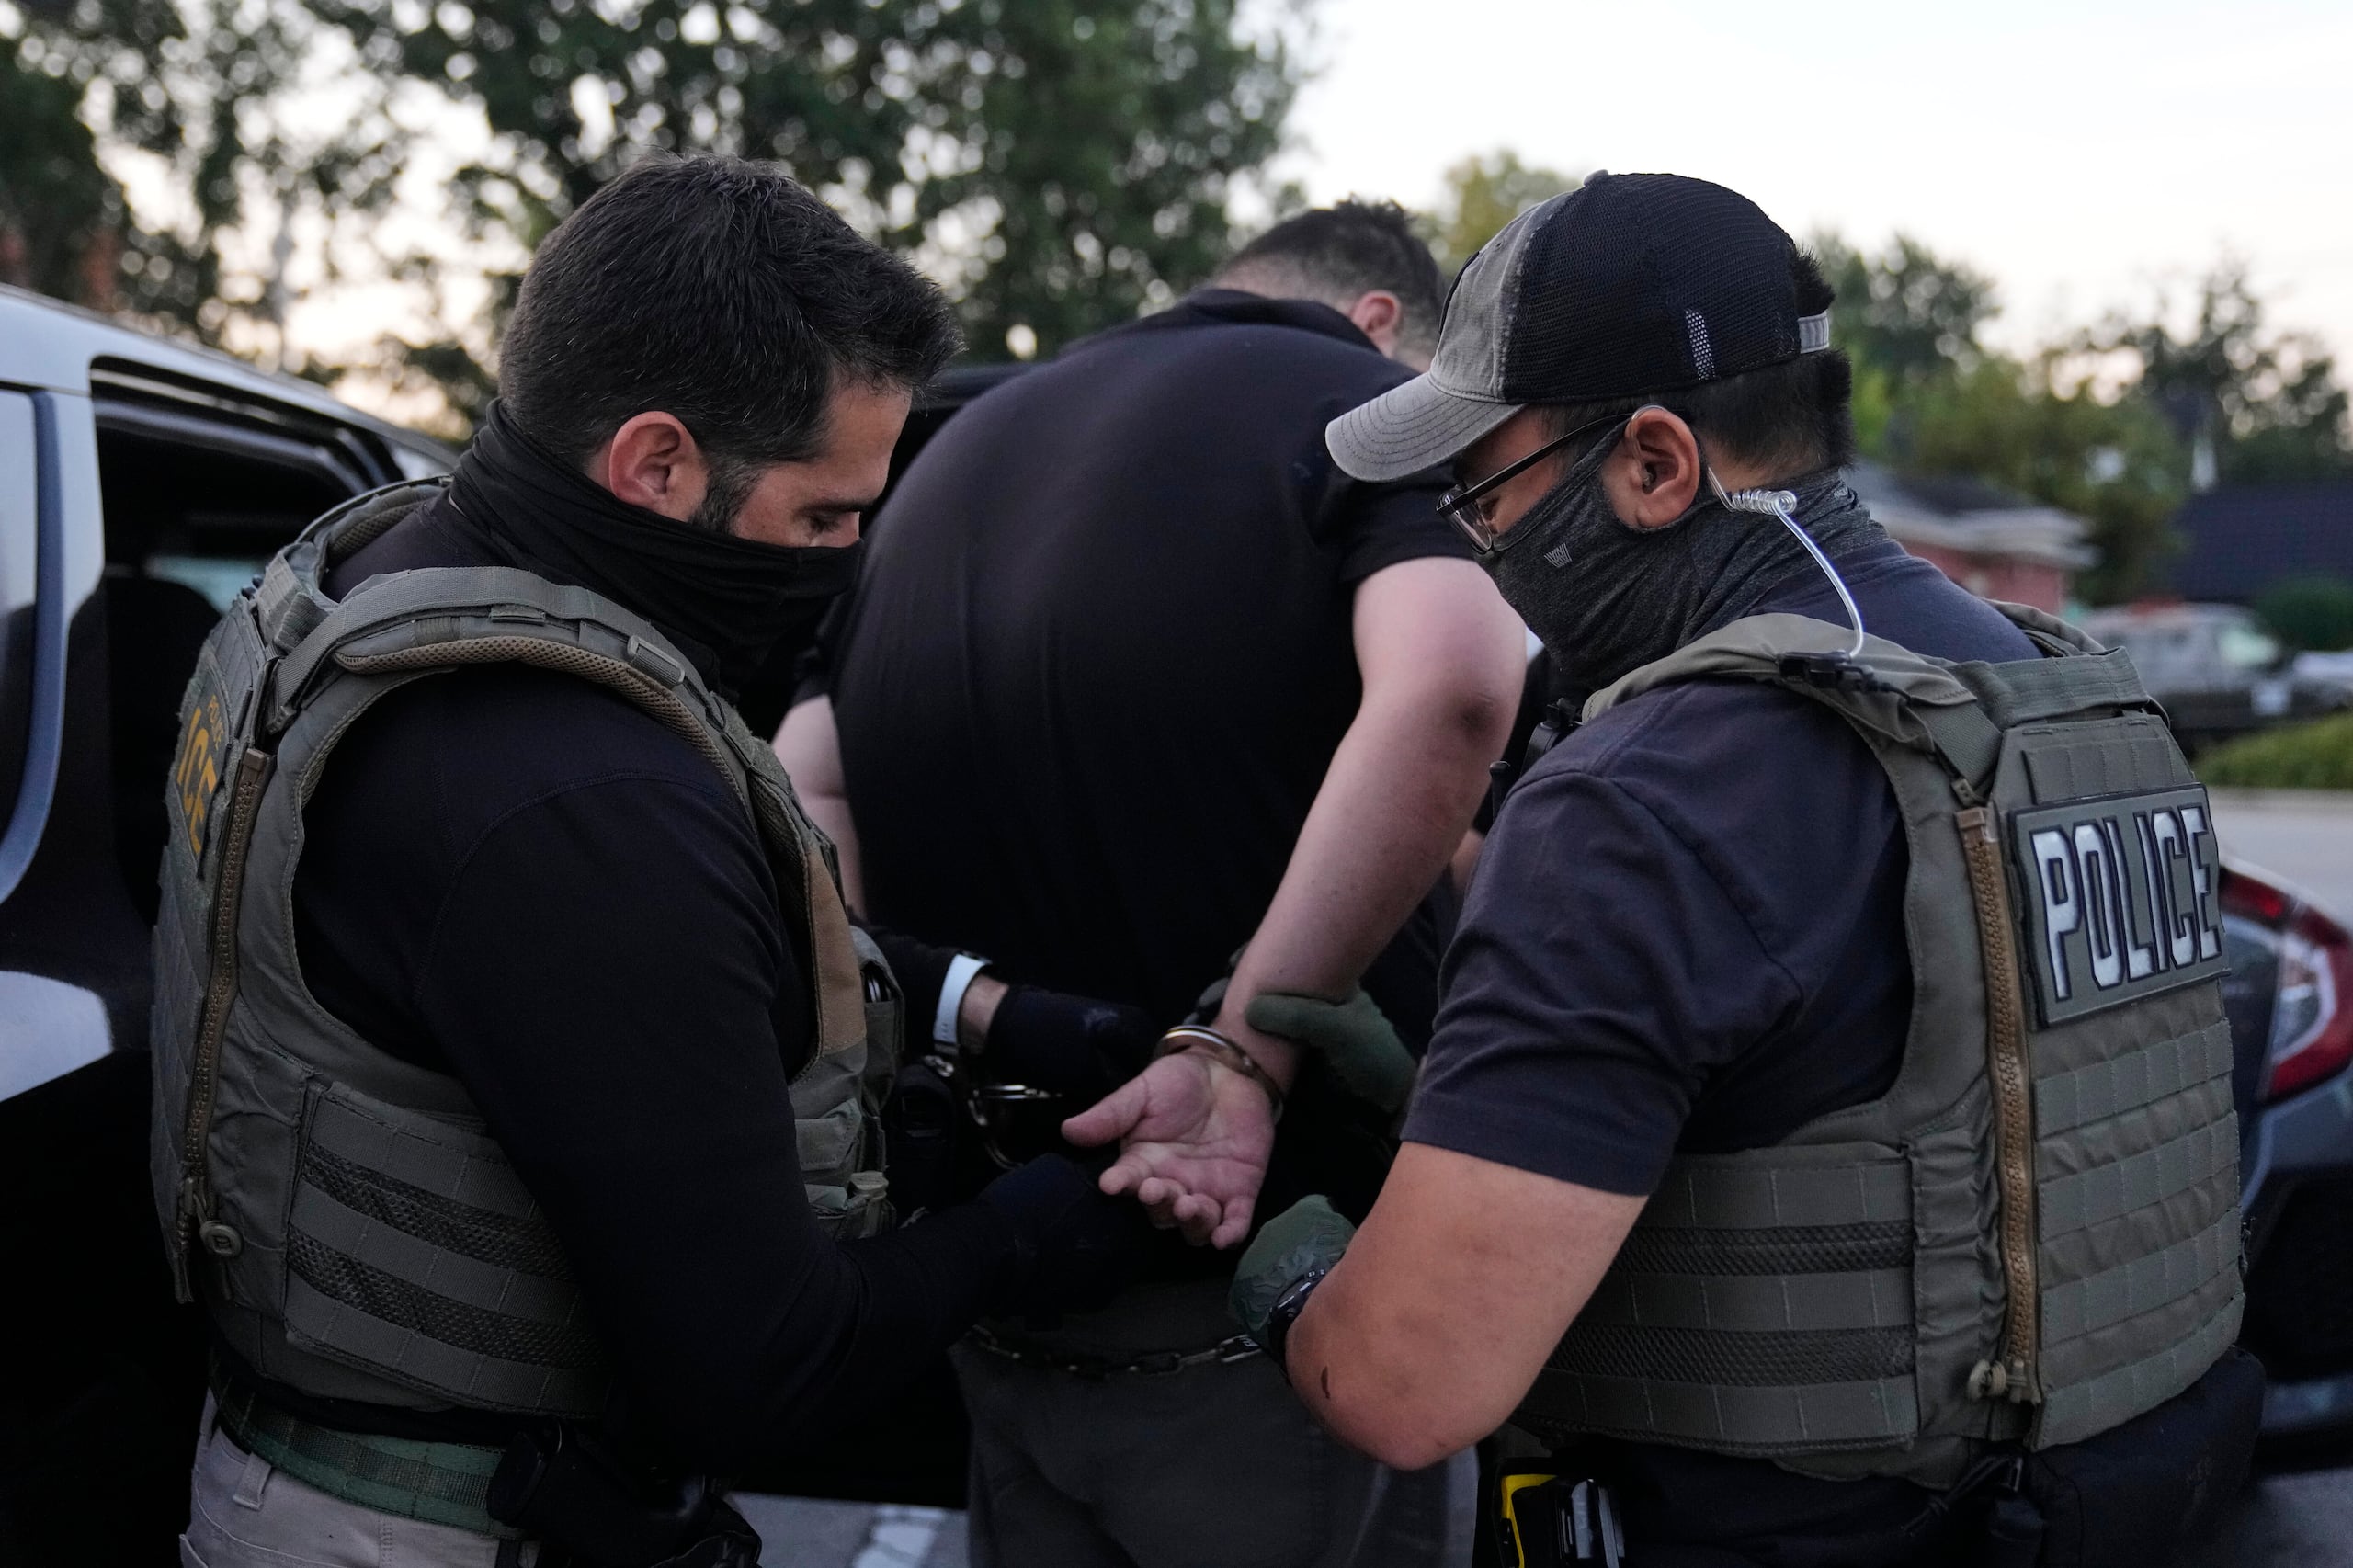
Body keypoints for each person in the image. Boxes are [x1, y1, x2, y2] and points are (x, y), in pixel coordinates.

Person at [1208, 174, 2266, 1567]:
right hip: (2127, 1513)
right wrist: (1505, 1107)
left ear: (1654, 463)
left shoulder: (1646, 797)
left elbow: (1408, 1384)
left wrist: (1295, 1284)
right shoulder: (2070, 702)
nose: (1477, 537)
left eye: (1481, 488)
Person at [149, 155, 1145, 1568]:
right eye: (824, 516)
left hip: (309, 1472)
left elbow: (661, 974)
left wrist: (1009, 1012)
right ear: (658, 463)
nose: (854, 554)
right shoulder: (573, 787)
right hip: (449, 1525)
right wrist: (1062, 1211)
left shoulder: (357, 589)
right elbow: (763, 1363)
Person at [778, 199, 1527, 1565]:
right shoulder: (1365, 405)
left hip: (1003, 1281)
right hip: (1271, 1304)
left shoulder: (951, 450)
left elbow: (804, 787)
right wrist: (1240, 1048)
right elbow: (1461, 683)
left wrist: (943, 1021)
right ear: (1377, 328)